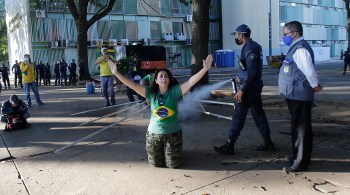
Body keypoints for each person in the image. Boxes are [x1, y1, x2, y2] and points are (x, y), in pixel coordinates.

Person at [108, 54, 213, 168]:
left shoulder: (175, 91)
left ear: (169, 79)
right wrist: (116, 73)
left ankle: (172, 151)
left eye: (166, 76)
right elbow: (133, 85)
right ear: (156, 80)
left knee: (173, 165)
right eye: (161, 76)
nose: (164, 78)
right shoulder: (150, 92)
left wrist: (205, 69)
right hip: (153, 134)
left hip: (173, 133)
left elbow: (190, 82)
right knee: (156, 164)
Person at [214, 24, 274, 155]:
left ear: (241, 35)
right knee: (258, 114)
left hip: (249, 89)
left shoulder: (250, 48)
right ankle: (268, 142)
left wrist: (242, 89)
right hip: (253, 87)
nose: (235, 37)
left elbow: (252, 71)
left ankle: (230, 145)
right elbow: (247, 69)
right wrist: (239, 76)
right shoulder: (253, 46)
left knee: (238, 116)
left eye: (236, 34)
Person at [279, 21, 323, 173]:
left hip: (300, 94)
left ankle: (300, 162)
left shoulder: (300, 49)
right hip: (295, 94)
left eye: (285, 34)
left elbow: (309, 71)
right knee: (298, 127)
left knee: (301, 129)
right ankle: (298, 157)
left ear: (295, 33)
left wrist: (315, 84)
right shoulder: (295, 48)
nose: (284, 37)